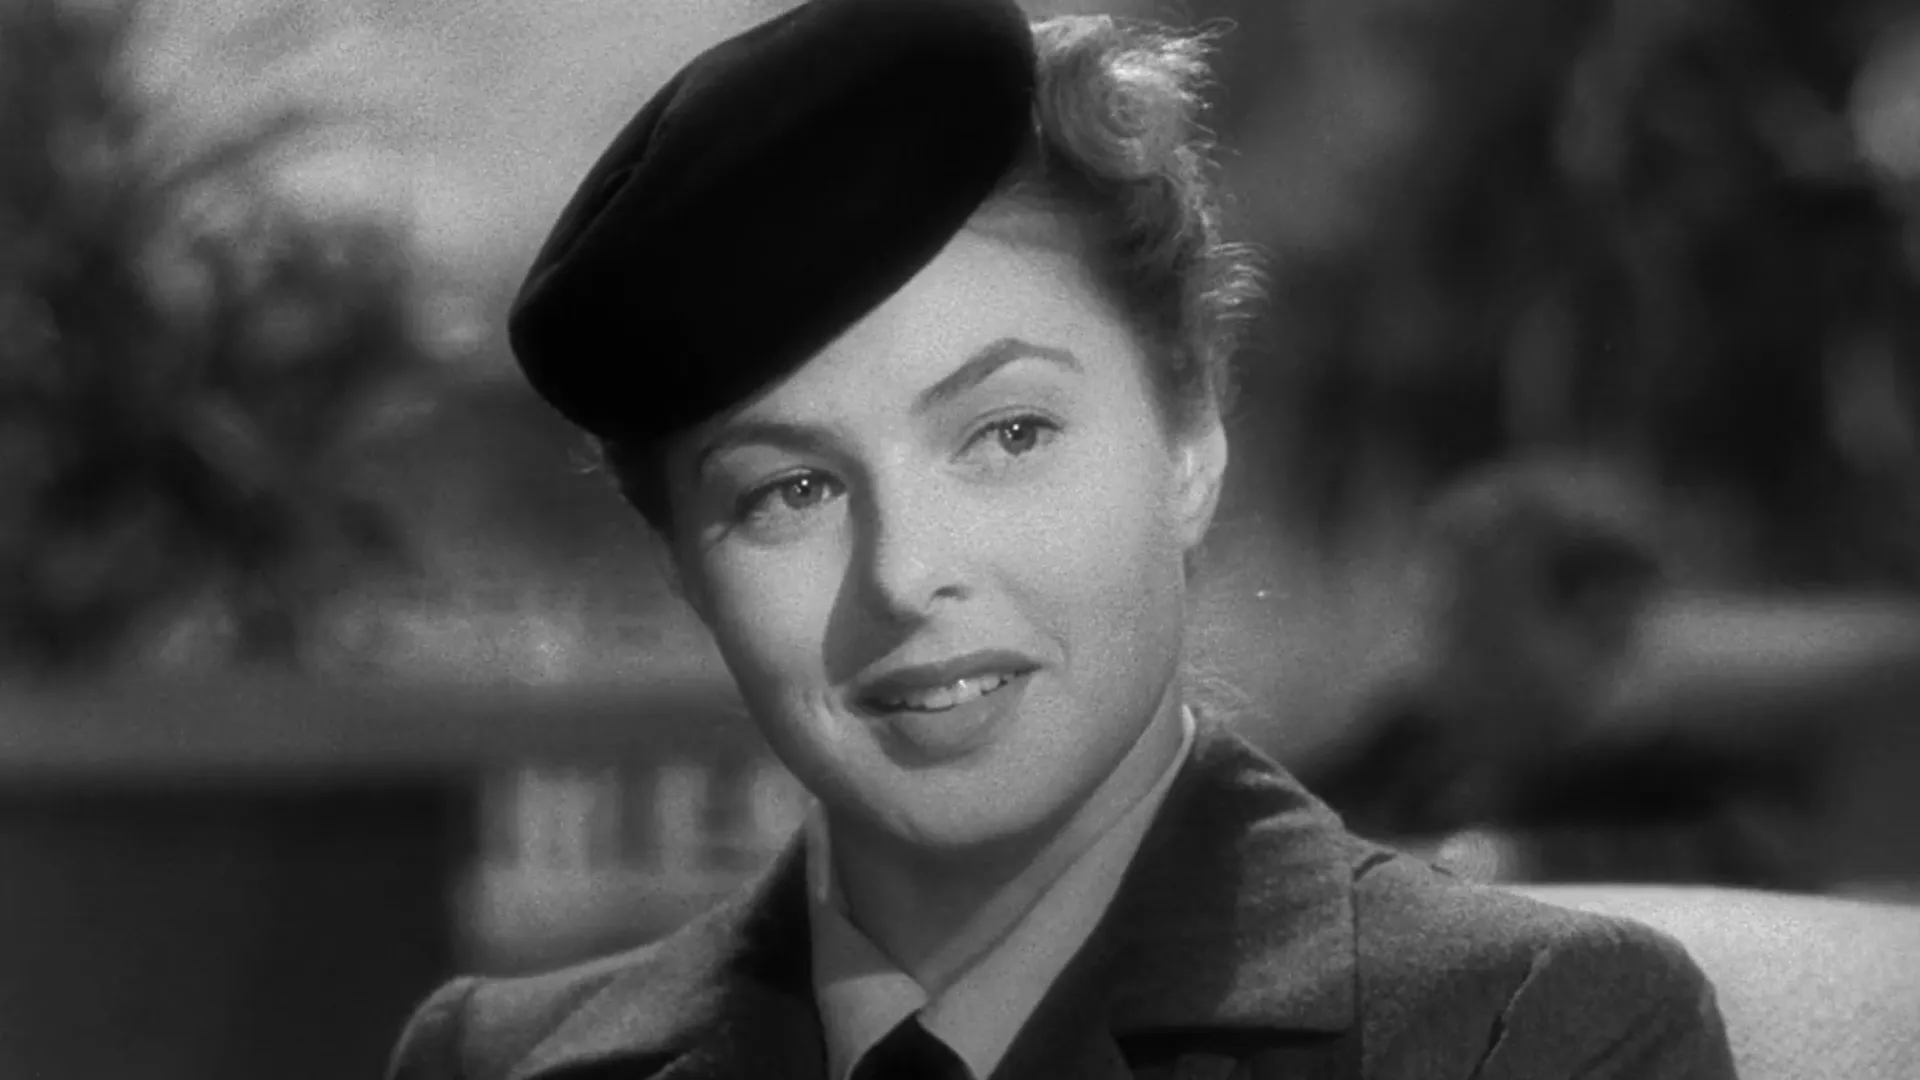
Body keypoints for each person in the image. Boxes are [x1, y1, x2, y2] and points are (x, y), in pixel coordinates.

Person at [388, 2, 1736, 1077]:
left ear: (1190, 435)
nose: (906, 573)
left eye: (1009, 432)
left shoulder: (1525, 1035)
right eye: (789, 491)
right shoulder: (497, 1062)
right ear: (686, 567)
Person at [1302, 458, 1831, 892]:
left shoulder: (1699, 790)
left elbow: (1753, 870)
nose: (1442, 658)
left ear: (1599, 620)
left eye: (1481, 632)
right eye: (1442, 625)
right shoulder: (1408, 743)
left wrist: (1499, 861)